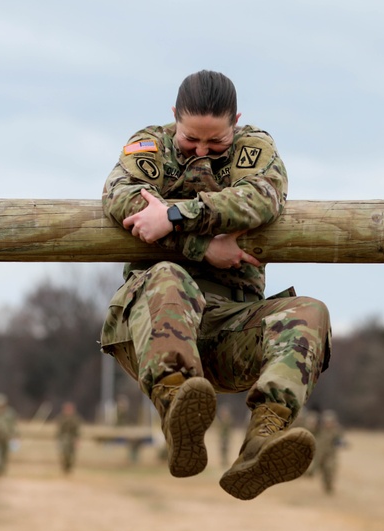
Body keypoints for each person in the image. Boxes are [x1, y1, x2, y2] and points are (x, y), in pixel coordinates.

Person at [100, 70, 331, 500]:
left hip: (228, 330)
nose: (201, 151)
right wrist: (203, 247)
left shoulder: (255, 148)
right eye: (191, 140)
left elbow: (261, 199)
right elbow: (119, 196)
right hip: (154, 328)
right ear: (174, 118)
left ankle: (264, 438)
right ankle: (176, 407)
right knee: (170, 275)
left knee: (310, 311)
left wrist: (173, 216)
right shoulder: (149, 145)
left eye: (216, 143)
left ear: (237, 122)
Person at [55, 401, 82, 473]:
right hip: (63, 439)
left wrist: (77, 440)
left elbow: (77, 431)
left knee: (71, 455)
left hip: (72, 439)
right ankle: (65, 468)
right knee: (64, 454)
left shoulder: (75, 418)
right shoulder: (61, 418)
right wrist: (58, 439)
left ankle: (69, 468)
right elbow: (59, 430)